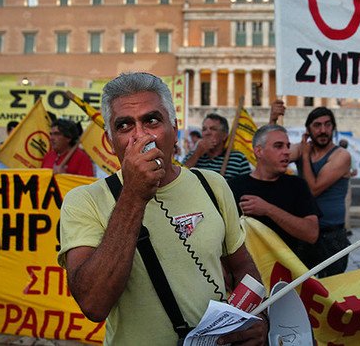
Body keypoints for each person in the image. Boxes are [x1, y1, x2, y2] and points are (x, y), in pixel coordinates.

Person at [58, 72, 266, 345]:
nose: (141, 136)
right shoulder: (84, 201)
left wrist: (254, 318)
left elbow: (242, 266)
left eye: (152, 120)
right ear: (110, 142)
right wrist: (133, 194)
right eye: (124, 126)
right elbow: (93, 304)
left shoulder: (212, 184)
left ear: (174, 129)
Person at [227, 124, 320, 267]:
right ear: (259, 151)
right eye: (278, 146)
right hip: (248, 277)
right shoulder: (234, 186)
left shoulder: (297, 186)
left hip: (290, 276)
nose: (286, 152)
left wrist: (268, 209)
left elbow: (311, 234)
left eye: (287, 146)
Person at [290, 106, 352, 277]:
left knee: (332, 292)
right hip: (303, 232)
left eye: (327, 125)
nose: (323, 130)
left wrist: (304, 156)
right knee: (302, 290)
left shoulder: (341, 155)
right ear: (308, 130)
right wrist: (273, 120)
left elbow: (313, 189)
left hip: (331, 236)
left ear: (333, 127)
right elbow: (271, 153)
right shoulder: (302, 149)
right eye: (317, 125)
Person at [183, 113, 251, 180]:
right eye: (204, 129)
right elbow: (180, 177)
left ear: (224, 135)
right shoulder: (192, 155)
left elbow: (246, 186)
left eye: (213, 129)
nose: (207, 133)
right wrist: (197, 154)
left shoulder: (238, 158)